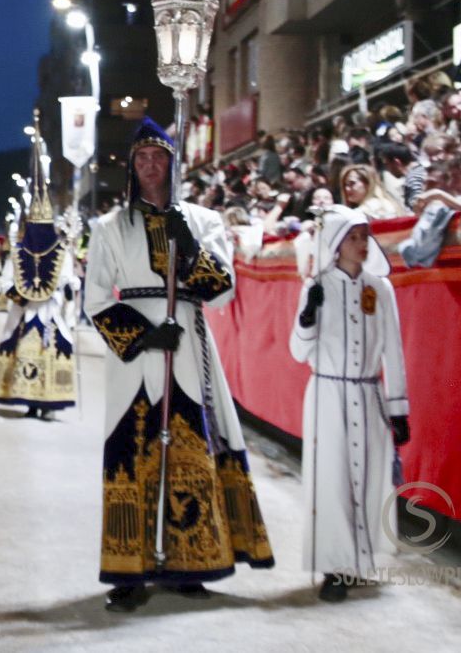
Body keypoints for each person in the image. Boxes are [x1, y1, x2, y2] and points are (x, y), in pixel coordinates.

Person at [85, 117, 274, 611]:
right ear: (131, 167)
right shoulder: (109, 227)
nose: (150, 166)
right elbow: (96, 298)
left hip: (189, 340)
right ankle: (129, 571)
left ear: (173, 162)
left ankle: (192, 560)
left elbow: (224, 290)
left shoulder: (203, 221)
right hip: (136, 356)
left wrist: (188, 247)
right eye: (141, 159)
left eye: (158, 157)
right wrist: (144, 334)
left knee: (193, 440)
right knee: (130, 446)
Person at [289, 208, 410, 602]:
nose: (362, 244)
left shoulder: (381, 287)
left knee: (371, 476)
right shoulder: (317, 285)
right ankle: (333, 568)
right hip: (327, 395)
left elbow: (393, 348)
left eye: (365, 236)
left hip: (367, 393)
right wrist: (308, 315)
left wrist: (399, 407)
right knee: (333, 480)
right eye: (354, 236)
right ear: (336, 242)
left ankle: (362, 560)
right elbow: (297, 351)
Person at [0, 191, 78, 419]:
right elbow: (6, 281)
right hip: (24, 312)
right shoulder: (18, 253)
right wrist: (22, 297)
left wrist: (67, 288)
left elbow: (67, 278)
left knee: (54, 351)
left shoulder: (61, 252)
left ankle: (48, 401)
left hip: (50, 314)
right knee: (20, 351)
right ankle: (28, 400)